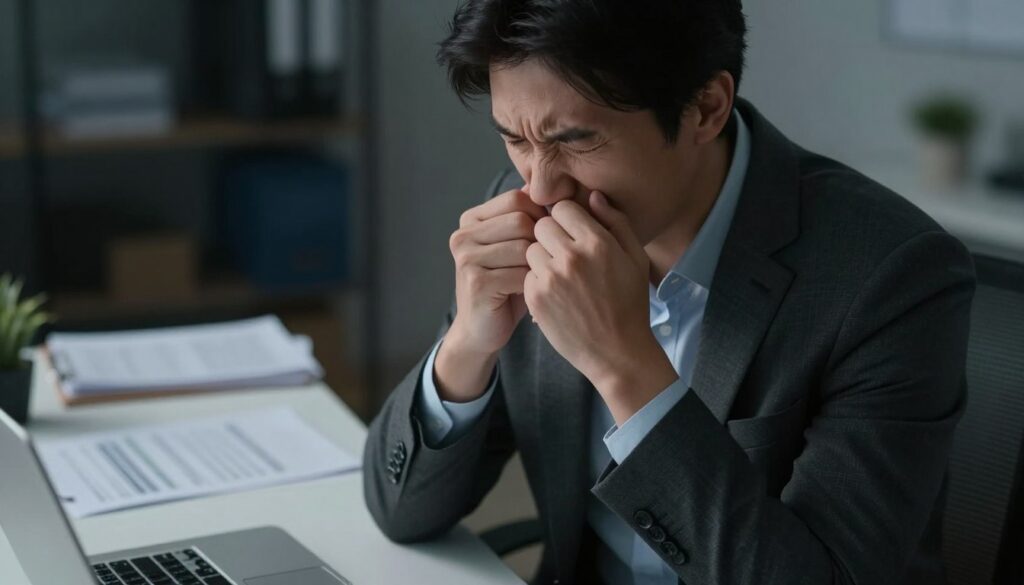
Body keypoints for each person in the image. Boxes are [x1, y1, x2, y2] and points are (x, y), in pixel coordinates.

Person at [363, 1, 976, 584]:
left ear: (706, 108)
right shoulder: (528, 209)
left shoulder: (891, 277)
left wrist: (625, 365)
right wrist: (468, 344)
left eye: (576, 140)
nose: (543, 191)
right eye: (517, 140)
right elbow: (399, 512)